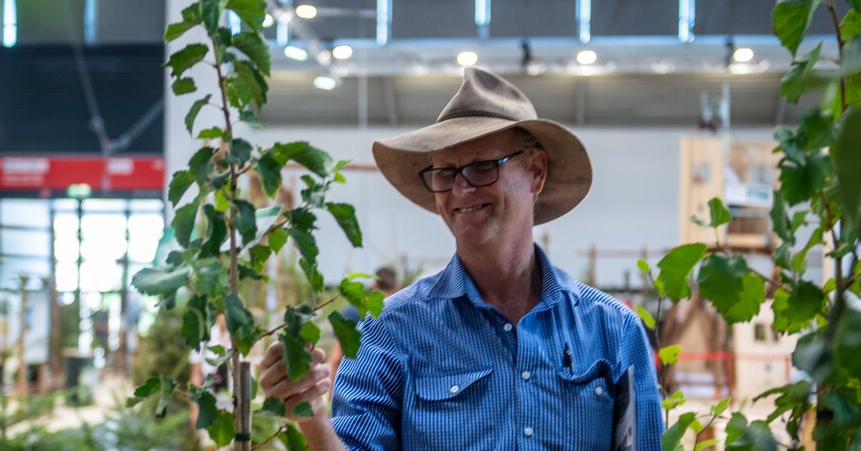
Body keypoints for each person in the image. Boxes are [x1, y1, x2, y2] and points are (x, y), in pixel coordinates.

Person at [259, 67, 664, 449]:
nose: (461, 189)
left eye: (482, 167)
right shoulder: (388, 333)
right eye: (445, 173)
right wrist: (311, 415)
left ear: (536, 172)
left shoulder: (612, 332)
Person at [326, 265, 401, 393]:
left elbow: (336, 357)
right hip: (392, 391)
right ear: (397, 286)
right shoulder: (402, 314)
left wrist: (329, 394)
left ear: (374, 286)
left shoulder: (353, 312)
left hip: (353, 390)